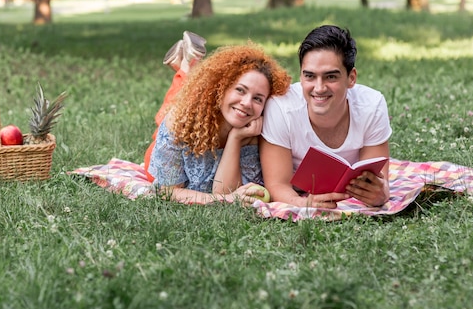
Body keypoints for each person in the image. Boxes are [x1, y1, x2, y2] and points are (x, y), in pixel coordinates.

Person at [146, 32, 292, 205]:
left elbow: (230, 192)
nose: (247, 103)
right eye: (240, 90)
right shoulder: (182, 120)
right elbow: (167, 193)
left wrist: (235, 139)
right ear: (220, 88)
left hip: (210, 112)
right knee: (172, 108)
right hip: (175, 135)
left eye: (258, 98)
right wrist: (220, 200)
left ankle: (186, 66)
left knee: (189, 96)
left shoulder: (252, 128)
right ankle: (185, 67)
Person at [260, 25, 392, 208]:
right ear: (301, 76)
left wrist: (381, 194)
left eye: (330, 77)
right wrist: (304, 203)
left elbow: (378, 181)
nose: (319, 88)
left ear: (351, 78)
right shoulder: (281, 107)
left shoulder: (372, 105)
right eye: (310, 76)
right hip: (299, 189)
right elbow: (277, 184)